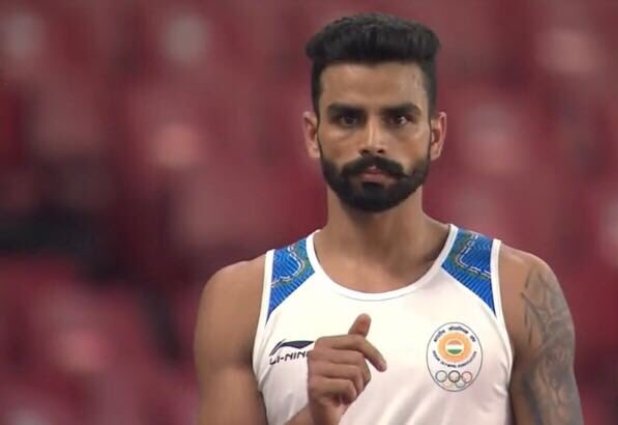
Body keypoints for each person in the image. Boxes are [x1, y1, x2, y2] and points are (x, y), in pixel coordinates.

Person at [194, 12, 583, 425]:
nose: (373, 142)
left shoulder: (516, 289)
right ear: (312, 134)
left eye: (398, 119)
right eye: (348, 119)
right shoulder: (244, 300)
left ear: (435, 136)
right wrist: (313, 419)